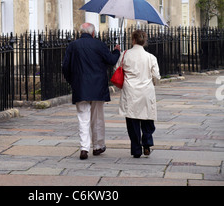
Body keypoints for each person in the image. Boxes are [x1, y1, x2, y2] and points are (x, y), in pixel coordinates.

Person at [62, 22, 120, 160]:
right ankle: (98, 146)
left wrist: (72, 82)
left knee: (83, 118)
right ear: (93, 33)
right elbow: (111, 60)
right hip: (98, 87)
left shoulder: (73, 46)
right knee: (97, 118)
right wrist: (116, 50)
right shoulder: (99, 45)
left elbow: (65, 67)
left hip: (80, 86)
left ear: (80, 32)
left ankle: (84, 148)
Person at [115, 29, 160, 158]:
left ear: (133, 40)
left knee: (132, 120)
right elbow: (156, 76)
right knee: (147, 118)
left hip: (130, 91)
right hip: (146, 90)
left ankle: (136, 149)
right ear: (144, 41)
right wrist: (153, 83)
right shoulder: (151, 57)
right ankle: (147, 143)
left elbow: (117, 69)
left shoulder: (125, 54)